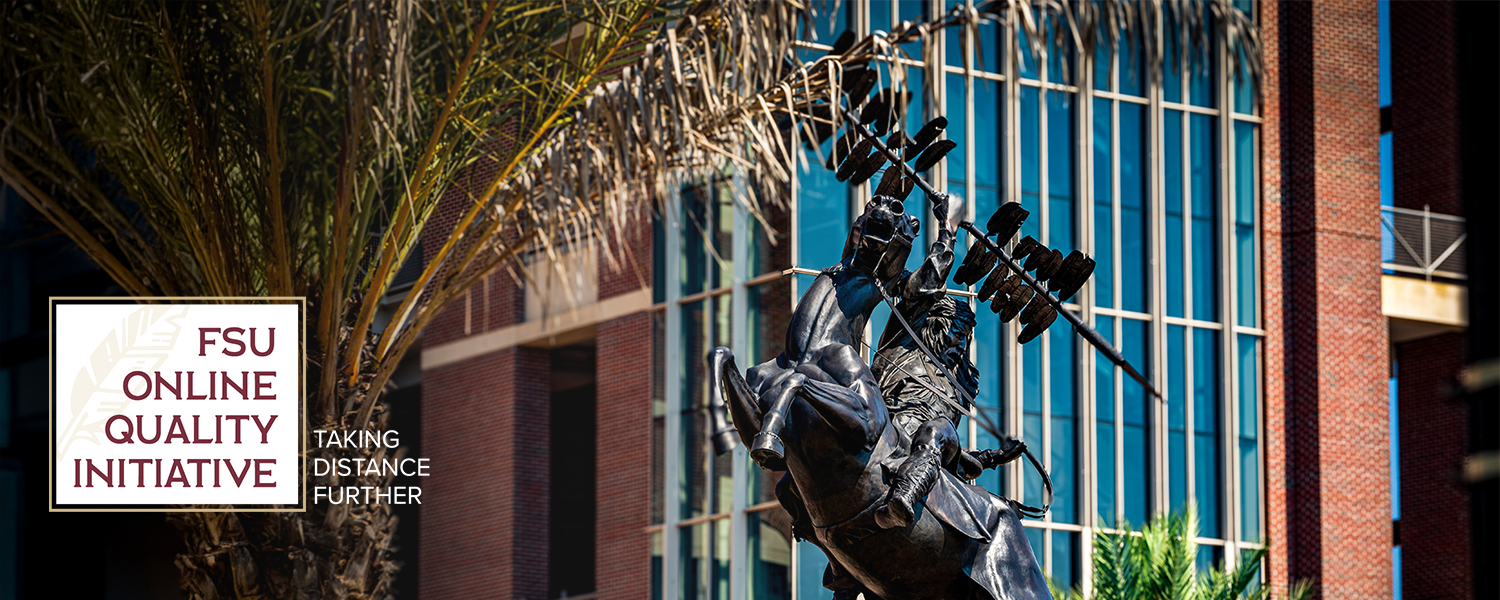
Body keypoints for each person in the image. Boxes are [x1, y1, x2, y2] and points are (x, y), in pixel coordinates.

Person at [870, 294, 1025, 529]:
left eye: (967, 339)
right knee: (939, 428)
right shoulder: (904, 350)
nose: (962, 346)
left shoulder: (954, 390)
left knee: (939, 428)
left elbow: (947, 455)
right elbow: (917, 294)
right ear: (935, 328)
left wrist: (994, 457)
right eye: (958, 335)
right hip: (891, 434)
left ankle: (904, 498)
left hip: (929, 448)